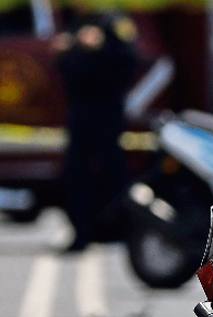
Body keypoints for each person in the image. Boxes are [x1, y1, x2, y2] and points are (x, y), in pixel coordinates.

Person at [54, 8, 139, 253]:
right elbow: (65, 66)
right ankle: (82, 232)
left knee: (112, 173)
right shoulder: (74, 23)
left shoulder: (115, 22)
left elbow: (129, 61)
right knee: (75, 176)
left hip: (107, 114)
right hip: (80, 114)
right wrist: (72, 48)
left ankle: (119, 229)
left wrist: (100, 48)